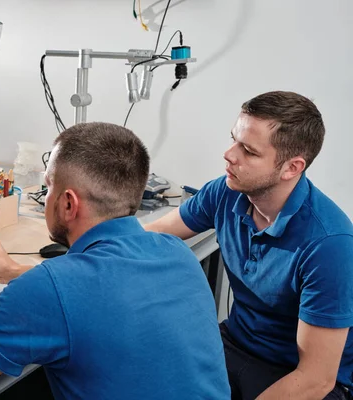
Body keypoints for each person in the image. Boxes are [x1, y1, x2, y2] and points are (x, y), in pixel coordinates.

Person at [0, 122, 230, 399]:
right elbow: (100, 289)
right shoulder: (175, 252)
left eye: (48, 186)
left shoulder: (53, 288)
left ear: (69, 204)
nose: (46, 194)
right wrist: (11, 271)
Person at [145, 91, 353, 399]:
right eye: (234, 140)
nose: (229, 154)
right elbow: (155, 233)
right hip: (236, 344)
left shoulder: (329, 246)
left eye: (249, 151)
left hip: (299, 376)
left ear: (292, 168)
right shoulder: (225, 191)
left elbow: (315, 380)